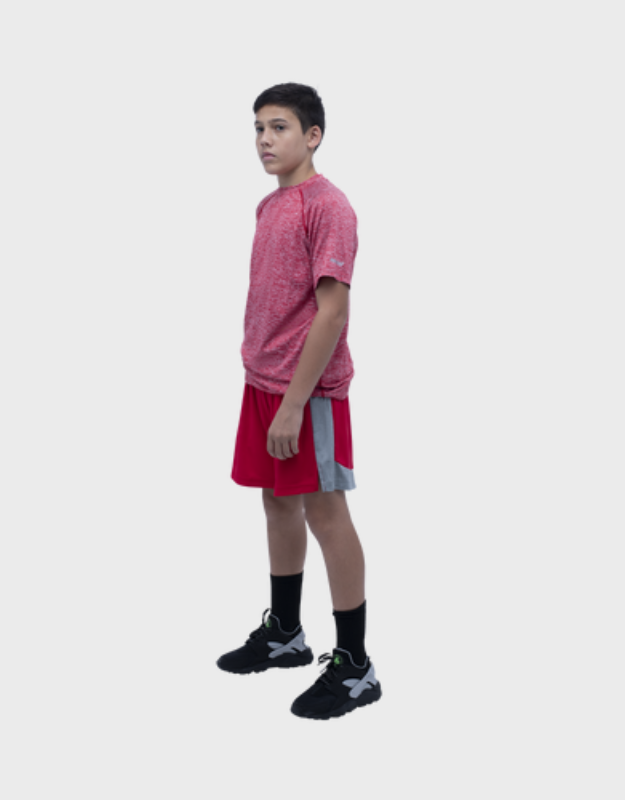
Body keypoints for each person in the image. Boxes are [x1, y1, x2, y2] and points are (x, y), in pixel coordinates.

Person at [218, 83, 381, 720]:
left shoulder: (329, 206)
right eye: (258, 128)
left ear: (312, 136)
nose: (265, 139)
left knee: (326, 512)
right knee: (277, 502)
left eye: (279, 127)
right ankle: (285, 634)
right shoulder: (270, 205)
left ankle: (355, 667)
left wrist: (294, 402)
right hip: (263, 382)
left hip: (305, 393)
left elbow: (333, 311)